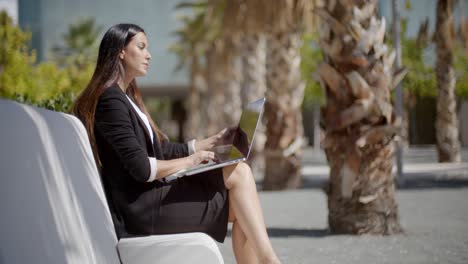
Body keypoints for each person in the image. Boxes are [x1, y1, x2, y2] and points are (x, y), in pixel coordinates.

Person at [73, 23, 280, 264]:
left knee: (244, 207)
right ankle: (271, 261)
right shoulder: (111, 101)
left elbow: (159, 150)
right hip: (144, 211)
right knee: (241, 174)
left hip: (151, 200)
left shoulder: (125, 97)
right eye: (141, 47)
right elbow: (141, 168)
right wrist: (191, 161)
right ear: (120, 51)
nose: (149, 55)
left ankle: (268, 261)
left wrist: (207, 144)